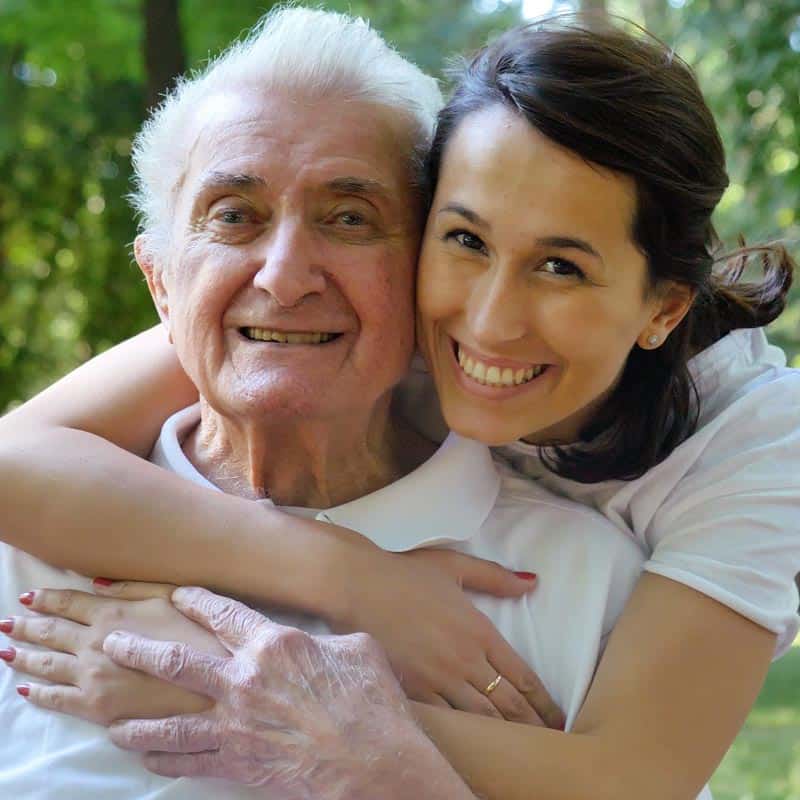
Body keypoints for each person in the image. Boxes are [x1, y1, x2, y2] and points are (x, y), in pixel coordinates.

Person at [1, 7, 798, 799]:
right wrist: (351, 577)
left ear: (662, 309)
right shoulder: (46, 538)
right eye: (465, 240)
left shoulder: (738, 459)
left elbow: (634, 780)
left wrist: (241, 687)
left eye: (350, 217)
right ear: (160, 283)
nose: (488, 320)